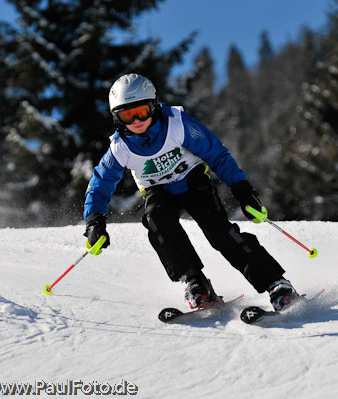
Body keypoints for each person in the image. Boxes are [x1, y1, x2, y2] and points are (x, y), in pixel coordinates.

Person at [83, 73, 298, 311]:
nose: (136, 120)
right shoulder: (120, 147)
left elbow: (216, 154)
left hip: (193, 181)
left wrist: (242, 190)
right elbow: (100, 183)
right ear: (117, 118)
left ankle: (275, 282)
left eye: (142, 111)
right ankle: (195, 280)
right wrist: (95, 222)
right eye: (127, 115)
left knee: (220, 232)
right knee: (156, 220)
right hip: (157, 191)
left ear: (153, 105)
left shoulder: (177, 123)